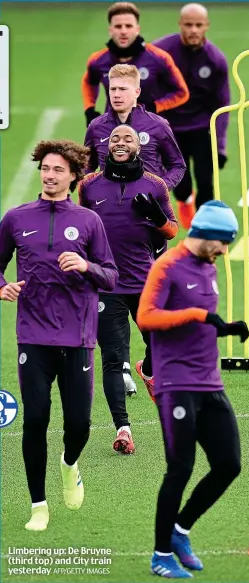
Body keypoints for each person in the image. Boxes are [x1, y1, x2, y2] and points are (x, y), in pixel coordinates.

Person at [0, 140, 118, 532]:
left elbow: (111, 275)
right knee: (34, 419)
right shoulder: (16, 218)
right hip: (32, 335)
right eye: (45, 169)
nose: (49, 176)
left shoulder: (88, 221)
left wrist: (86, 265)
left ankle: (70, 465)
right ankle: (38, 505)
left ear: (73, 176)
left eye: (58, 171)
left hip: (78, 336)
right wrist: (2, 285)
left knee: (79, 424)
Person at [137, 201, 249, 578]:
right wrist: (199, 315)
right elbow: (147, 317)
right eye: (222, 243)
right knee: (180, 468)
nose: (224, 251)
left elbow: (202, 320)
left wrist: (225, 326)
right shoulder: (166, 266)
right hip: (175, 383)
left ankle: (180, 531)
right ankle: (160, 555)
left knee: (228, 465)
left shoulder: (208, 267)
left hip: (209, 382)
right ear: (206, 236)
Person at [84, 63, 186, 394]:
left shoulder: (156, 125)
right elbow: (87, 169)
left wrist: (158, 197)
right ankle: (121, 367)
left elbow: (178, 165)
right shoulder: (98, 126)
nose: (115, 95)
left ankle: (147, 365)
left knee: (158, 323)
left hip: (150, 226)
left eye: (122, 89)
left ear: (136, 91)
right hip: (110, 223)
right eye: (111, 89)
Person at [78, 124, 178, 455]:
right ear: (107, 145)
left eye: (128, 139)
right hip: (107, 286)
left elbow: (172, 230)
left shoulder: (155, 184)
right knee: (112, 357)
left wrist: (155, 215)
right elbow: (80, 228)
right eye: (115, 138)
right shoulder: (90, 187)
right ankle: (123, 428)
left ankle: (148, 371)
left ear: (138, 147)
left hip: (146, 285)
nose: (120, 142)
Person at [153, 3, 230, 229]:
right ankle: (185, 200)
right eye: (188, 24)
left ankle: (204, 230)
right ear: (180, 25)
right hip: (171, 128)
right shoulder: (162, 51)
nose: (193, 29)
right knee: (181, 182)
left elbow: (222, 103)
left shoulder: (216, 60)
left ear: (206, 26)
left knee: (206, 183)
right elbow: (144, 72)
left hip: (202, 127)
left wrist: (221, 145)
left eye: (198, 25)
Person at [82, 1, 189, 126]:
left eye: (128, 26)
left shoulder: (159, 58)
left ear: (137, 29)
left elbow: (182, 93)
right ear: (110, 30)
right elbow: (88, 82)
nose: (123, 31)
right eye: (118, 26)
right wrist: (89, 109)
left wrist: (155, 106)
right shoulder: (97, 60)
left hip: (151, 129)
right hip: (113, 129)